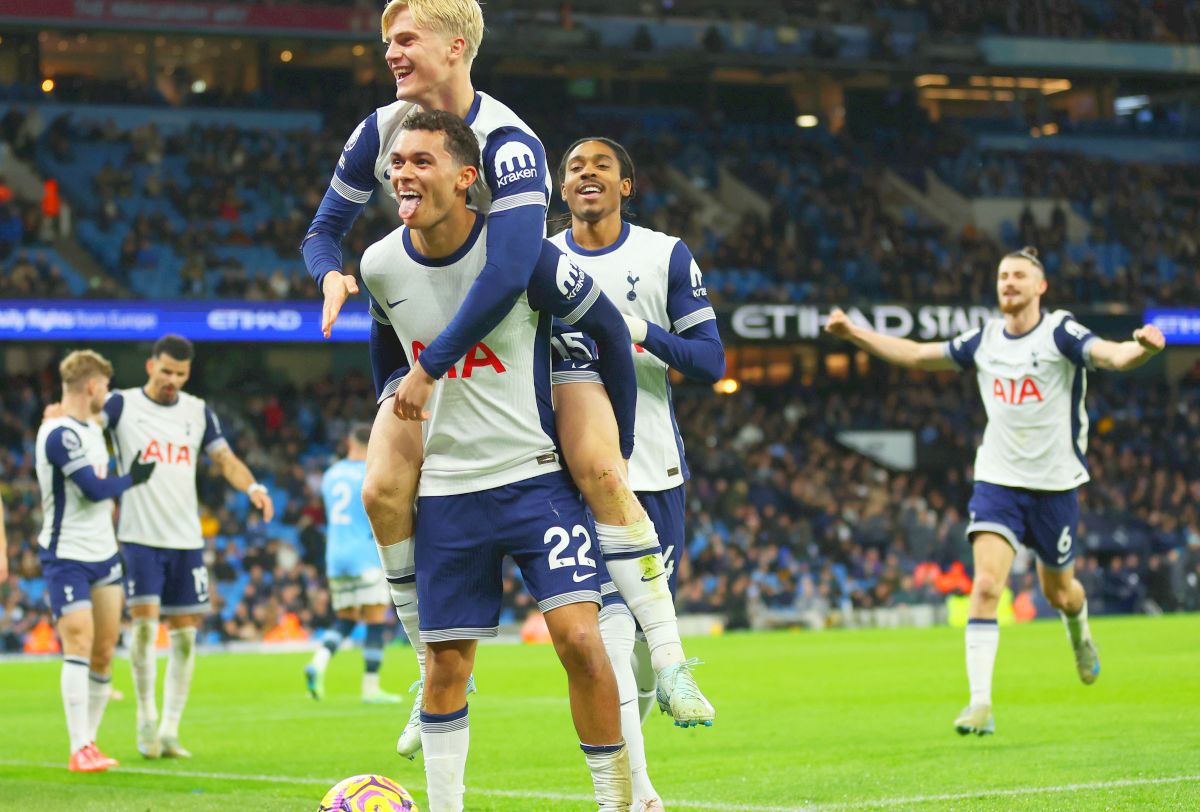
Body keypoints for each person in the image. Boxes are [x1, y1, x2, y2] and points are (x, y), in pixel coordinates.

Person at [302, 0, 710, 758]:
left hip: (535, 327)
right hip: (447, 344)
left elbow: (511, 271)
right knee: (380, 487)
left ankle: (674, 660)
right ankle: (431, 670)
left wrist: (427, 366)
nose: (389, 53)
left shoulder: (509, 141)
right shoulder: (381, 130)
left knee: (597, 467)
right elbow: (322, 231)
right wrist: (329, 276)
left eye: (404, 40)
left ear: (455, 47)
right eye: (385, 41)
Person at [361, 110, 635, 812]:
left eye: (422, 161)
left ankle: (617, 801)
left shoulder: (521, 256)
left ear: (466, 176)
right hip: (450, 492)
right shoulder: (380, 263)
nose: (404, 174)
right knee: (445, 665)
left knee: (580, 640)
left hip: (536, 478)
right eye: (397, 163)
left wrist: (619, 444)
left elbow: (605, 326)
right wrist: (402, 402)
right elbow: (388, 355)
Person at [825, 246, 1166, 736]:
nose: (1009, 283)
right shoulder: (984, 340)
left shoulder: (1060, 332)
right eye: (1003, 276)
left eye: (1019, 276)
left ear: (1040, 286)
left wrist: (1144, 348)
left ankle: (1080, 632)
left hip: (1055, 487)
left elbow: (1112, 355)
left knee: (1061, 593)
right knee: (985, 586)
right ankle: (980, 704)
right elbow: (921, 355)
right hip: (998, 480)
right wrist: (854, 333)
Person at [551, 136, 725, 809]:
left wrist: (635, 330)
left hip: (650, 470)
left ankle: (631, 746)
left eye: (601, 166)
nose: (586, 174)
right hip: (566, 476)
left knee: (642, 661)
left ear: (628, 185)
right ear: (561, 191)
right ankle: (638, 795)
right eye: (573, 168)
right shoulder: (536, 258)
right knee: (608, 638)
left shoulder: (664, 255)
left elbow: (710, 363)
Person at [102, 334, 275, 758]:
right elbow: (87, 433)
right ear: (149, 366)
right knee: (143, 628)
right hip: (139, 537)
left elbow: (225, 459)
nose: (171, 380)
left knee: (184, 638)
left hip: (185, 540)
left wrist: (252, 486)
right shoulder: (121, 405)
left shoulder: (197, 411)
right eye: (165, 371)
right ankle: (145, 717)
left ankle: (170, 729)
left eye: (179, 374)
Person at [35, 350, 156, 771]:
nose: (107, 392)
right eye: (104, 385)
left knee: (104, 650)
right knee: (79, 643)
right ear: (91, 386)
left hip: (104, 553)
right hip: (66, 554)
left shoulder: (90, 428)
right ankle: (78, 745)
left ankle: (91, 742)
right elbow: (92, 488)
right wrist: (132, 479)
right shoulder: (58, 434)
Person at [305, 423, 403, 704]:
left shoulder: (331, 475)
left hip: (335, 555)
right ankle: (371, 688)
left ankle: (318, 663)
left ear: (349, 442)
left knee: (346, 618)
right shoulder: (370, 472)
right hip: (364, 553)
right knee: (374, 620)